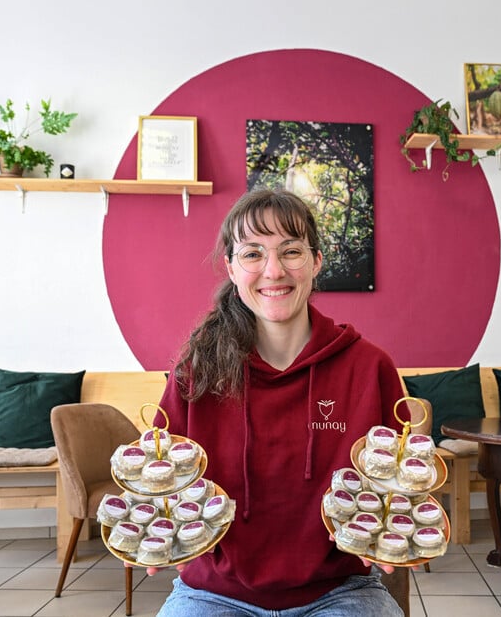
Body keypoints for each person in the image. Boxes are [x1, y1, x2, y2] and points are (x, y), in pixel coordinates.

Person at [153, 188, 407, 616]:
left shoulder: (369, 367)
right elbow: (159, 482)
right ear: (232, 268)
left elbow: (397, 486)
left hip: (340, 589)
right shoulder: (197, 372)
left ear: (316, 262)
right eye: (253, 254)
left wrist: (393, 531)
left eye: (290, 251)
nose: (273, 271)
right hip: (213, 590)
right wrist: (148, 527)